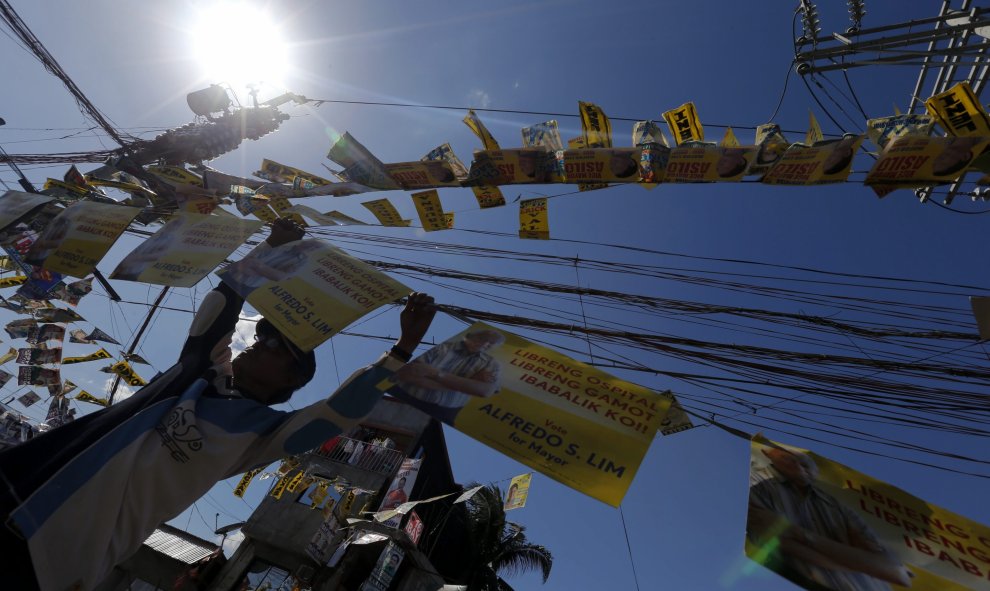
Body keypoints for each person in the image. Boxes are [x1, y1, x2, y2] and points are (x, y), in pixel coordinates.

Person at [0, 217, 438, 591]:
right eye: (261, 335)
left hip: (58, 560)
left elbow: (337, 413)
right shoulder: (198, 371)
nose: (257, 343)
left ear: (289, 380)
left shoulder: (262, 432)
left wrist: (402, 349)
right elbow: (219, 307)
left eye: (272, 345)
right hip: (21, 483)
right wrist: (270, 249)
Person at [747, 446, 913, 591]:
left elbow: (895, 573)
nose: (798, 466)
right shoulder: (755, 483)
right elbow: (772, 539)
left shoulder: (835, 505)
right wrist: (863, 563)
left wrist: (798, 533)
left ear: (815, 473)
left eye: (805, 465)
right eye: (787, 458)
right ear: (769, 454)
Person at [390, 328, 504, 425]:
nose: (485, 344)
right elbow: (406, 374)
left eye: (491, 343)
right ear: (468, 336)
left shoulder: (492, 364)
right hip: (402, 397)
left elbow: (486, 391)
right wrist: (467, 385)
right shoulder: (441, 348)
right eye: (481, 338)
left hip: (445, 413)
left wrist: (435, 373)